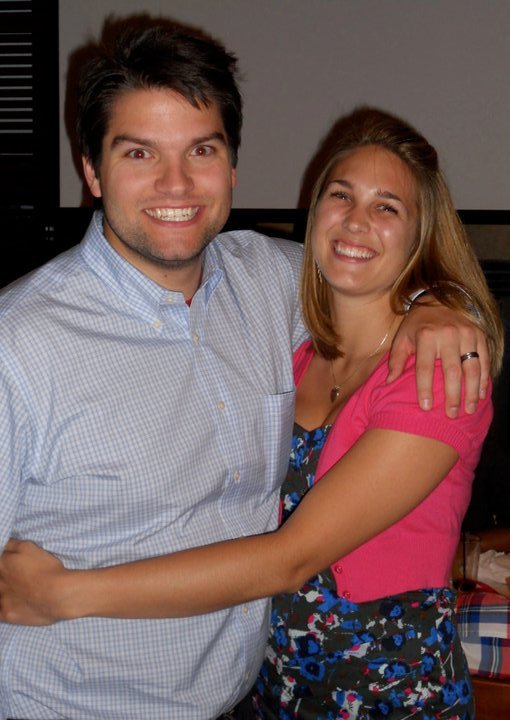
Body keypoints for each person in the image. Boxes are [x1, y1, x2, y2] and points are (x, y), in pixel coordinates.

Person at [0, 17, 490, 720]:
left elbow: (370, 272)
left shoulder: (266, 280)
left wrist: (437, 305)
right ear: (91, 170)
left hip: (252, 698)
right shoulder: (19, 345)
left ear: (231, 167)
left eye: (201, 150)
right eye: (139, 152)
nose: (176, 182)